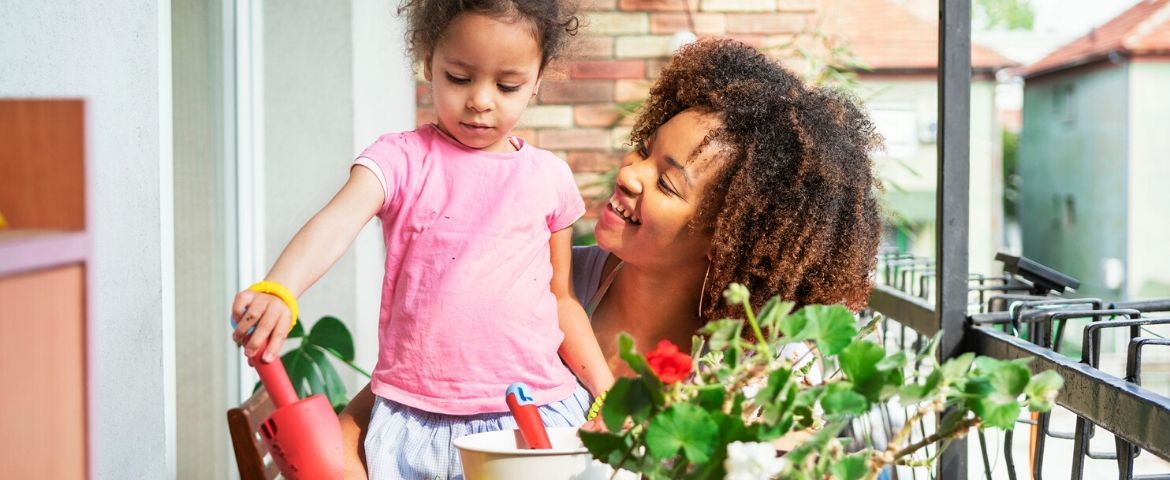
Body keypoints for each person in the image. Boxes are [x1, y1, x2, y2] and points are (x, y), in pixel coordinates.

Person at [339, 37, 884, 478]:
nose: (628, 174)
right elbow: (407, 390)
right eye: (645, 150)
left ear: (731, 239)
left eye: (667, 183)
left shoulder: (761, 377)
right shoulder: (541, 281)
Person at [229, 1, 616, 478]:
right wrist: (281, 287)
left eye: (507, 85)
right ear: (427, 59)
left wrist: (605, 389)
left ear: (538, 78)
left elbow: (561, 299)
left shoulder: (550, 178)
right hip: (415, 420)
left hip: (531, 415)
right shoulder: (400, 160)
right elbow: (337, 220)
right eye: (459, 77)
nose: (481, 100)